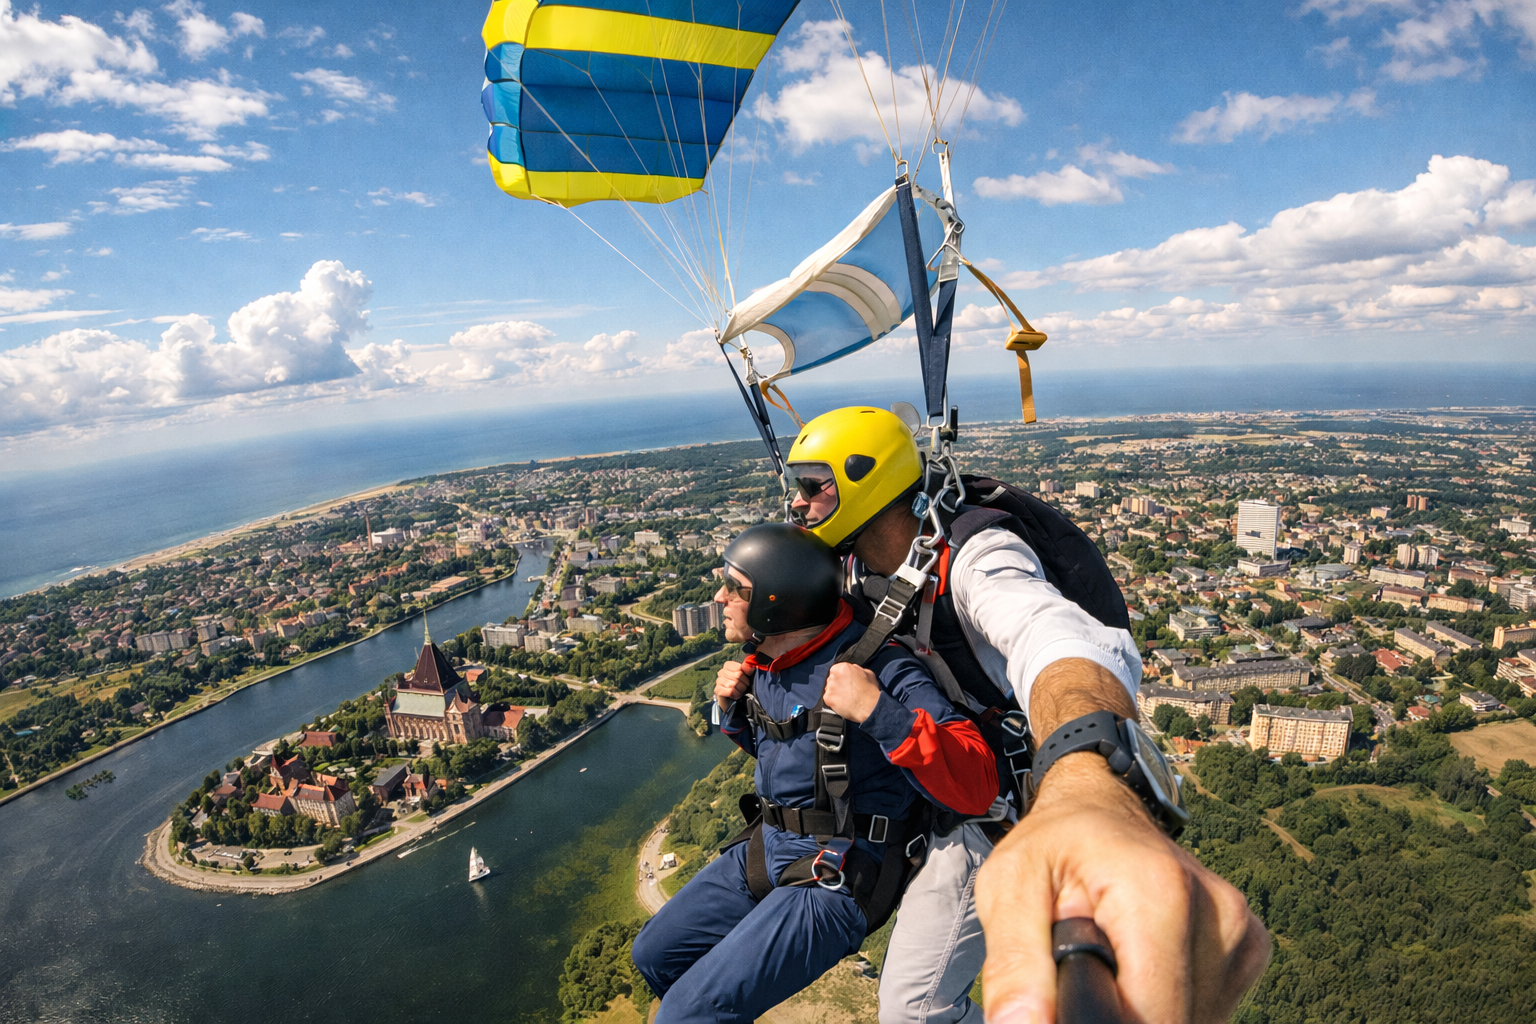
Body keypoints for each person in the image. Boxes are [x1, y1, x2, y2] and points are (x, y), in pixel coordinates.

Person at [783, 407, 1270, 1024]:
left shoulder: (977, 557)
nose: (797, 505)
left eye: (811, 485)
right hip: (931, 793)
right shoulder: (857, 568)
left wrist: (1087, 774)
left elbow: (1051, 634)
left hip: (992, 812)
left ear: (864, 480)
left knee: (912, 1011)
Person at [631, 523, 1000, 1024]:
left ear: (777, 604)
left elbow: (978, 782)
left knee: (682, 1015)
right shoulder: (769, 661)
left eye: (734, 588)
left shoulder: (880, 669)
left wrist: (877, 711)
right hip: (773, 845)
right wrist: (733, 712)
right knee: (655, 954)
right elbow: (791, 756)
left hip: (842, 872)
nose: (719, 597)